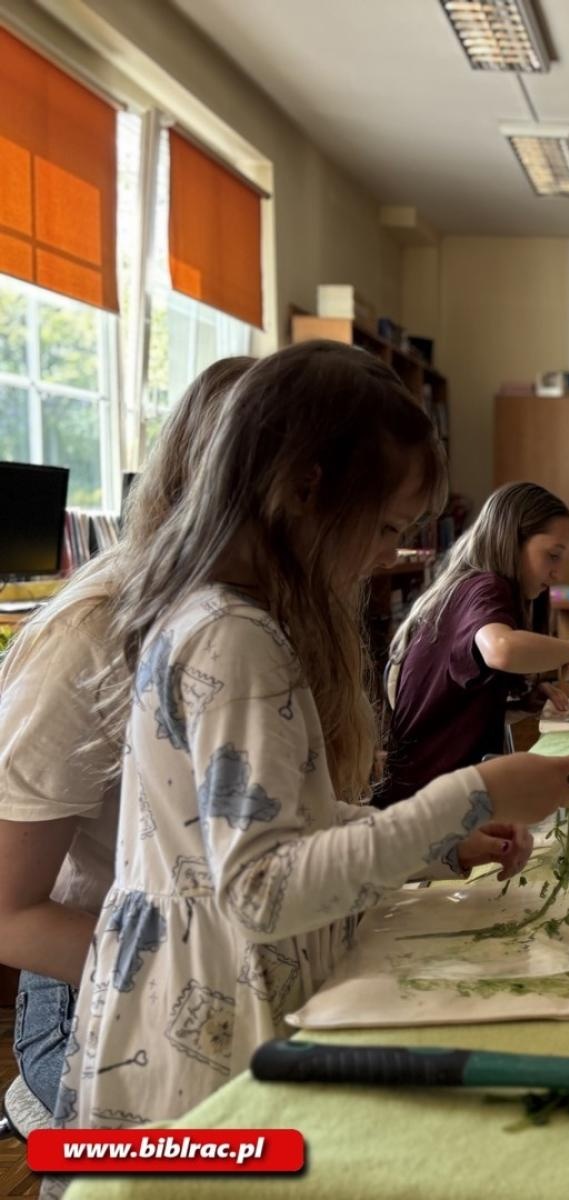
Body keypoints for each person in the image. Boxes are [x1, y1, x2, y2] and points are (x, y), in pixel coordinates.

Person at [49, 341, 569, 1134]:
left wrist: (437, 841)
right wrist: (471, 793)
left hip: (194, 984)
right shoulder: (234, 639)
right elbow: (262, 889)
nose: (392, 554)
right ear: (304, 492)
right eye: (385, 527)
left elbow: (283, 825)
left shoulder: (213, 614)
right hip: (207, 1017)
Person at [0, 357, 249, 1117]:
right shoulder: (91, 640)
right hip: (94, 992)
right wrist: (213, 976)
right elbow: (8, 915)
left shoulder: (251, 622)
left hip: (223, 958)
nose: (382, 553)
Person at [381, 482, 569, 807]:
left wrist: (518, 699)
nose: (558, 572)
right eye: (552, 555)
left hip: (442, 793)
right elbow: (502, 650)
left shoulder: (471, 589)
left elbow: (458, 698)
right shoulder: (484, 587)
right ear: (513, 539)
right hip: (425, 802)